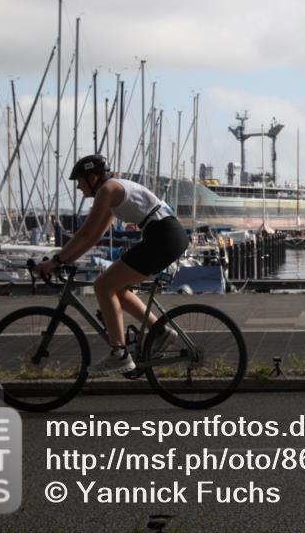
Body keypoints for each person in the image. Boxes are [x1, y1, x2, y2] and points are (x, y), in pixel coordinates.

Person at [34, 154, 190, 375]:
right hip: (166, 236)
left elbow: (85, 233)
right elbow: (93, 237)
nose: (78, 188)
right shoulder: (111, 191)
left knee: (102, 286)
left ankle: (120, 354)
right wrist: (63, 260)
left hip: (162, 237)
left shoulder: (108, 190)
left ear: (93, 177)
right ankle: (159, 331)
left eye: (80, 181)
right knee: (115, 287)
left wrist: (56, 261)